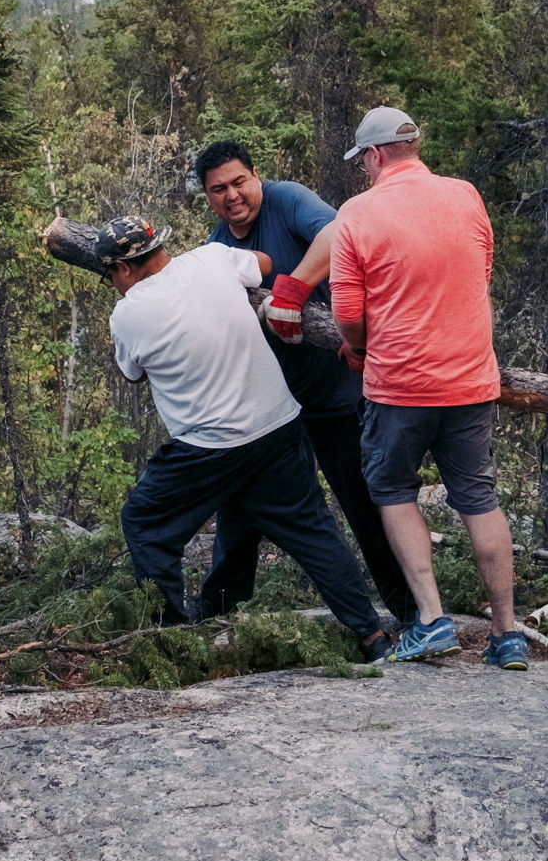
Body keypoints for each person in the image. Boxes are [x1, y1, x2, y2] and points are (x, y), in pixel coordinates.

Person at [294, 107, 526, 668]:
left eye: (364, 161)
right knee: (478, 498)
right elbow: (483, 269)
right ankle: (508, 633)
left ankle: (431, 620)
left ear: (374, 156)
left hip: (400, 384)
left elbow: (348, 314)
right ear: (413, 147)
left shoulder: (357, 213)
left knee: (393, 490)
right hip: (471, 377)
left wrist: (356, 347)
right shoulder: (466, 195)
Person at [92, 213, 386, 648]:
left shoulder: (128, 314)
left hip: (209, 447)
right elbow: (265, 264)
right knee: (312, 532)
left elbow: (134, 374)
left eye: (109, 276)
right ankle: (372, 634)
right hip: (279, 426)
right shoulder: (212, 259)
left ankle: (173, 640)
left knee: (145, 522)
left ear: (121, 268)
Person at [191, 139, 416, 635]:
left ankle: (410, 612)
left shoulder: (288, 200)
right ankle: (217, 613)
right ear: (207, 196)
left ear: (256, 176)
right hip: (273, 407)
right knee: (241, 504)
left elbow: (342, 231)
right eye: (218, 189)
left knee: (362, 501)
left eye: (239, 182)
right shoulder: (215, 250)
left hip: (337, 394)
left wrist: (291, 289)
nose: (232, 195)